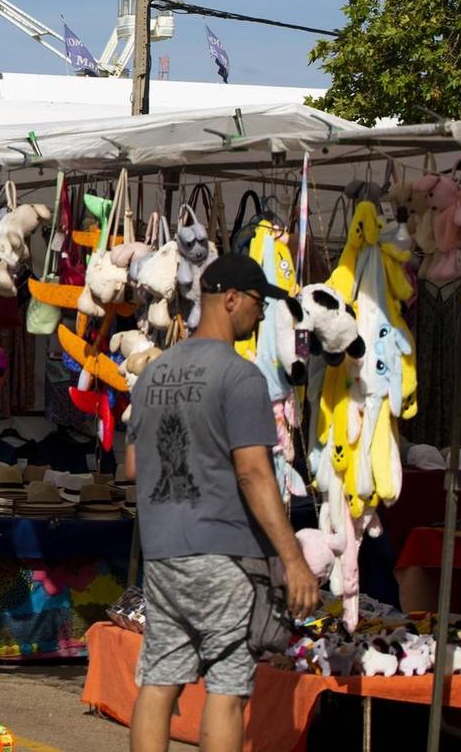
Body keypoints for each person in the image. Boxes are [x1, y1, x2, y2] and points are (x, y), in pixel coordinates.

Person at [120, 254, 321, 752]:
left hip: (164, 550)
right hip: (225, 553)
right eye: (257, 303)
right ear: (230, 298)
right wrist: (293, 559)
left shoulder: (151, 374)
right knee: (227, 691)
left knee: (159, 681)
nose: (259, 314)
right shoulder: (241, 376)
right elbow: (253, 473)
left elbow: (132, 468)